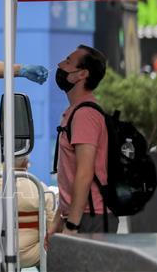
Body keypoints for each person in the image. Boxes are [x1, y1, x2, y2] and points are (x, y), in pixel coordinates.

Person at [47, 45, 117, 241]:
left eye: (68, 61)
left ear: (82, 74)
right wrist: (59, 220)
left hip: (92, 217)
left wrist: (72, 225)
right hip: (82, 215)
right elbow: (70, 175)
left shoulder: (85, 114)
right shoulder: (75, 111)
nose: (60, 64)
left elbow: (85, 173)